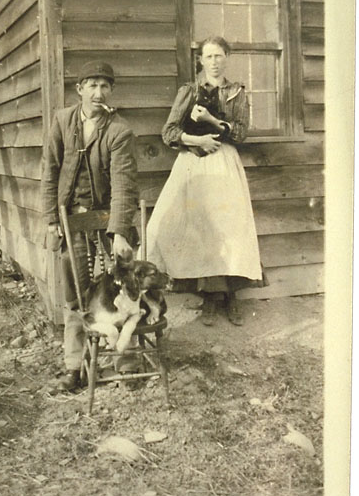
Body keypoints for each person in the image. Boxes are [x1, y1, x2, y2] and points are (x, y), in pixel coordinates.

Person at [146, 36, 263, 326]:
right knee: (202, 227)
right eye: (208, 56)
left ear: (227, 58)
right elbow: (169, 132)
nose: (214, 61)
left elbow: (239, 134)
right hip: (194, 163)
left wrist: (211, 120)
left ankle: (231, 298)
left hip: (225, 162)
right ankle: (209, 297)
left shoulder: (236, 92)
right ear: (200, 60)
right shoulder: (189, 91)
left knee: (230, 227)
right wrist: (196, 139)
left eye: (219, 56)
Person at [41, 60, 139, 390]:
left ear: (111, 91)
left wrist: (121, 231)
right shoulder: (62, 121)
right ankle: (74, 366)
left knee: (122, 288)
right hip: (72, 221)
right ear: (79, 89)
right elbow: (50, 171)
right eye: (92, 85)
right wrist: (52, 219)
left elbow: (125, 183)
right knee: (76, 294)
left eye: (105, 86)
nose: (98, 93)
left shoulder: (119, 130)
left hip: (109, 218)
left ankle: (126, 359)